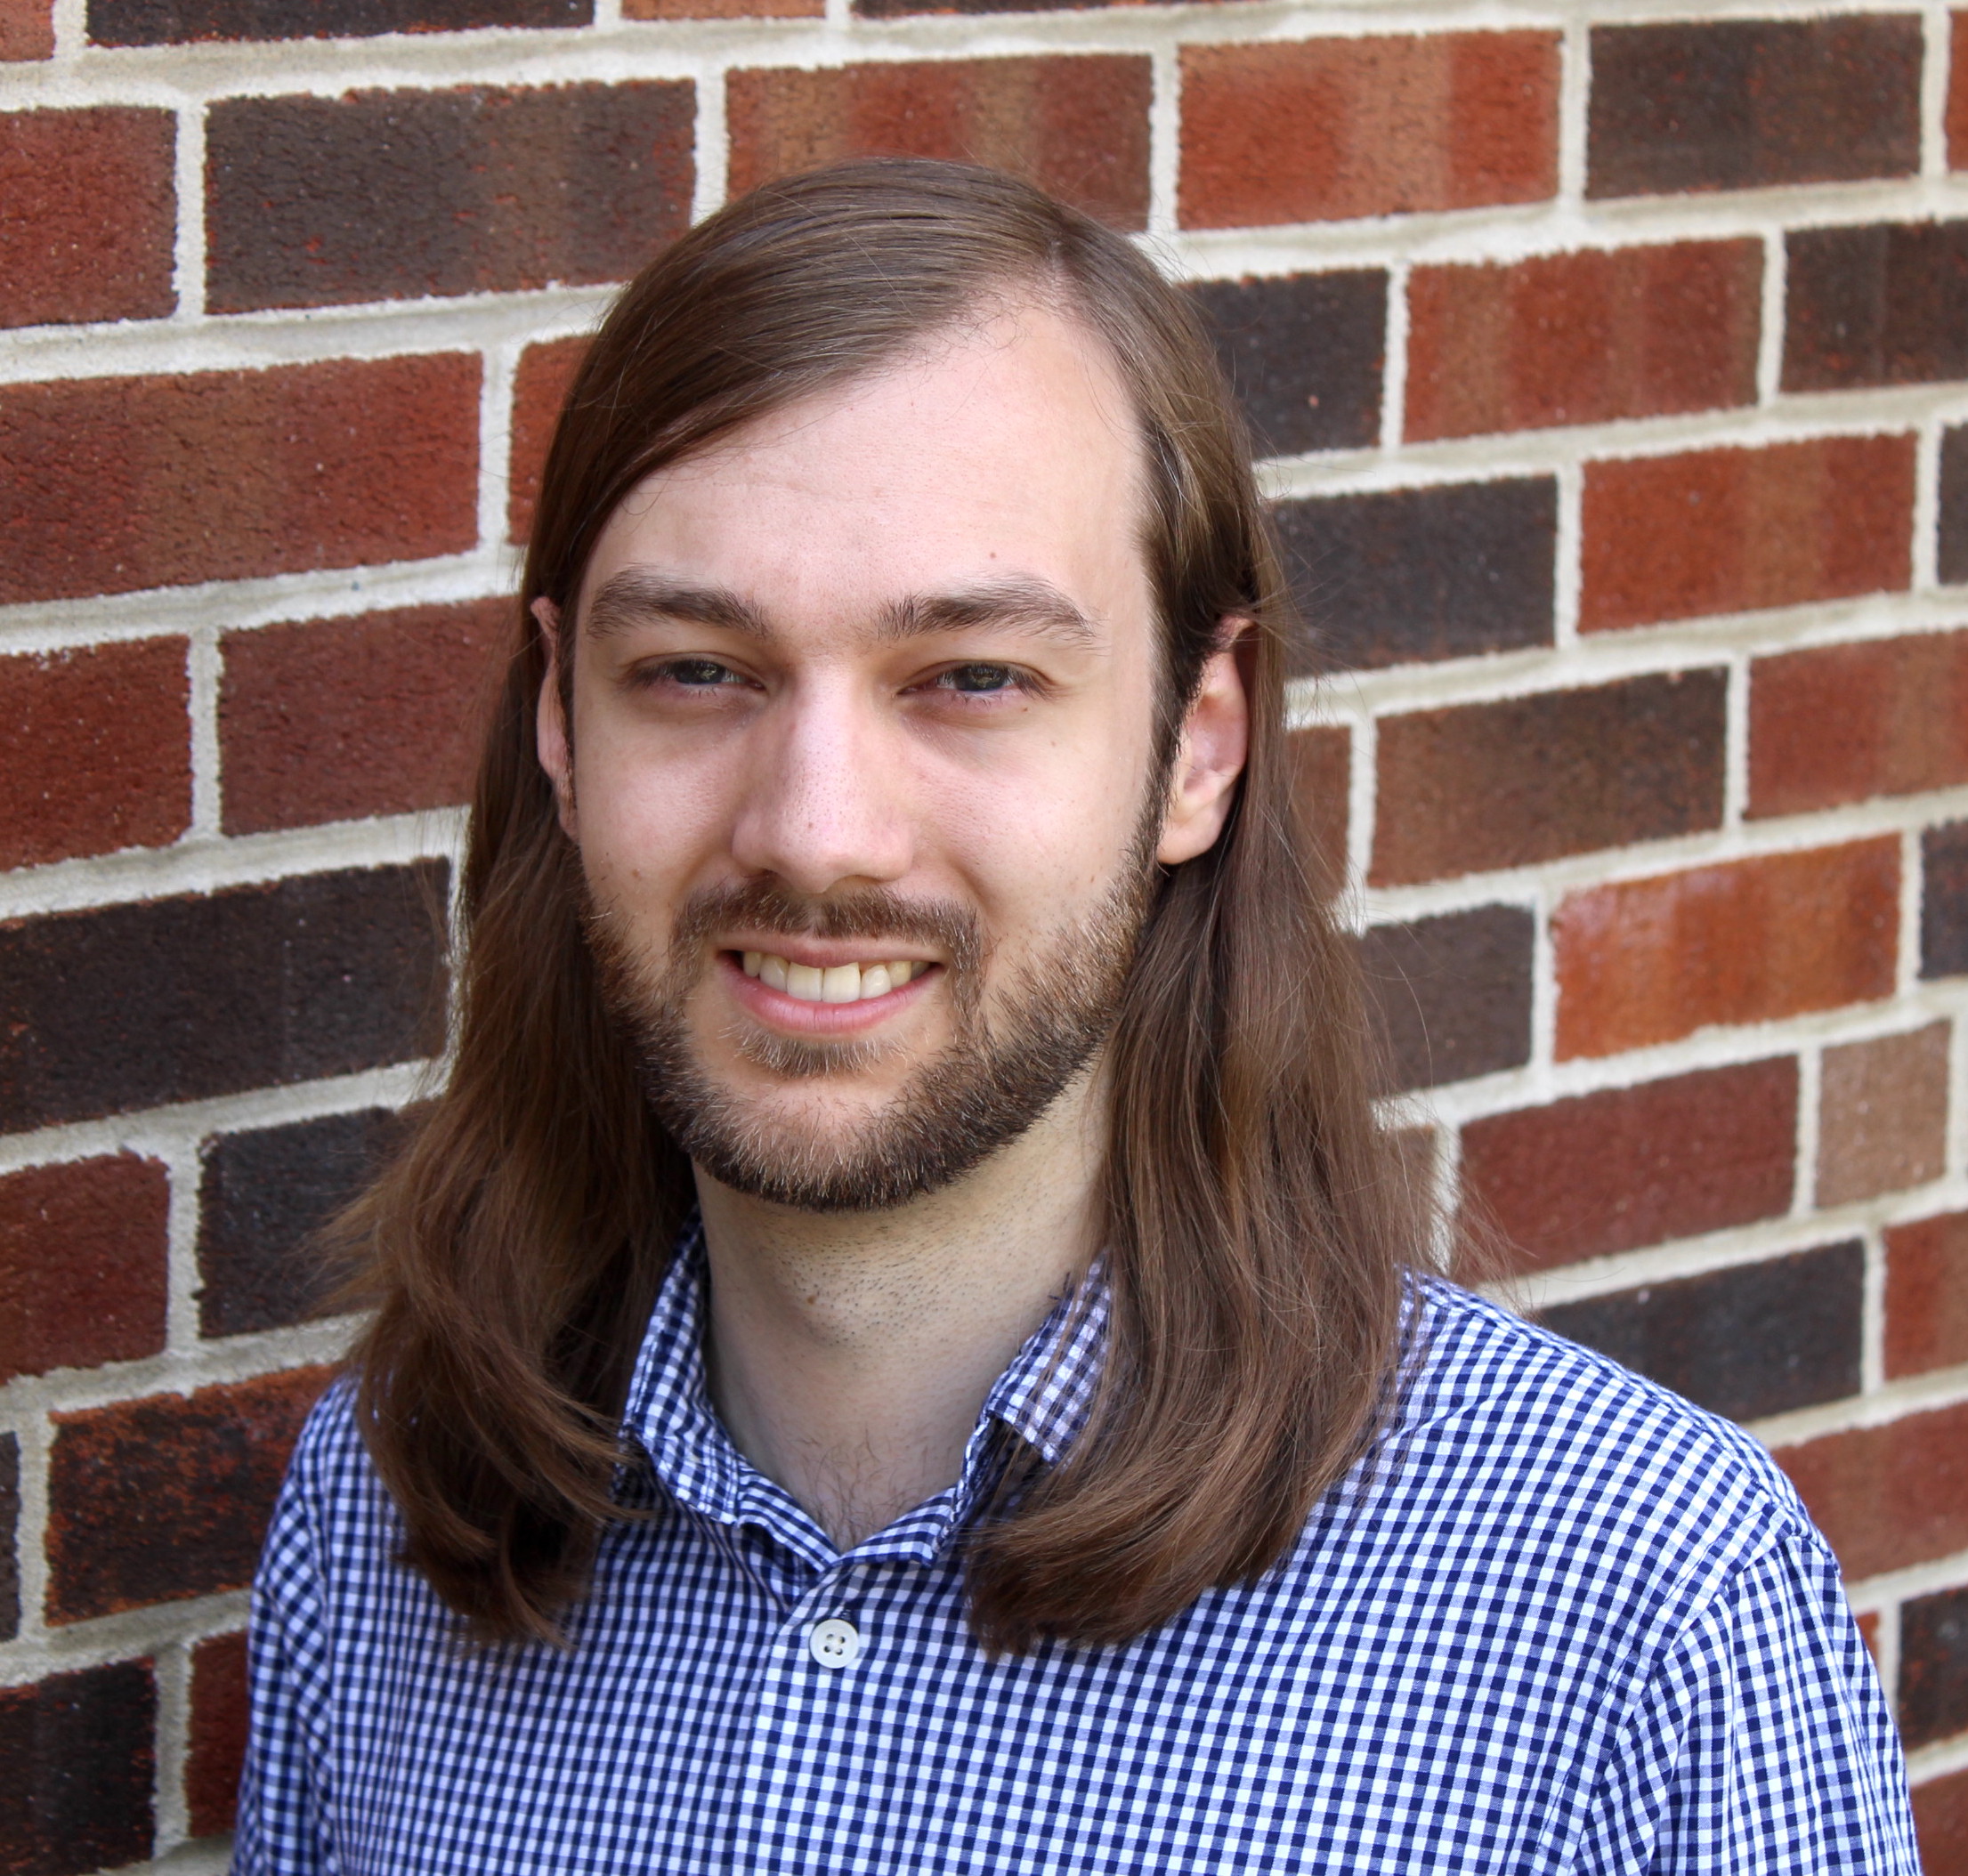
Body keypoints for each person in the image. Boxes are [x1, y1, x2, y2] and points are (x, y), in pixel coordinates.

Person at [235, 159, 1918, 1872]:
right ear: (563, 733)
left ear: (1198, 745)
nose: (816, 829)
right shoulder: (382, 1527)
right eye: (695, 669)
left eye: (972, 676)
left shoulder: (1631, 1624)